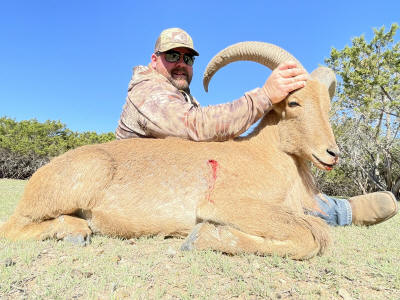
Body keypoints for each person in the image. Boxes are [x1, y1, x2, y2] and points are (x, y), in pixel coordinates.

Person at [116, 27, 398, 226]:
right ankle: (337, 212)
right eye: (172, 56)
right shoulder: (148, 91)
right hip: (145, 185)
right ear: (154, 60)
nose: (181, 64)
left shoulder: (184, 98)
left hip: (179, 177)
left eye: (187, 58)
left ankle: (327, 205)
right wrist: (265, 97)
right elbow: (194, 127)